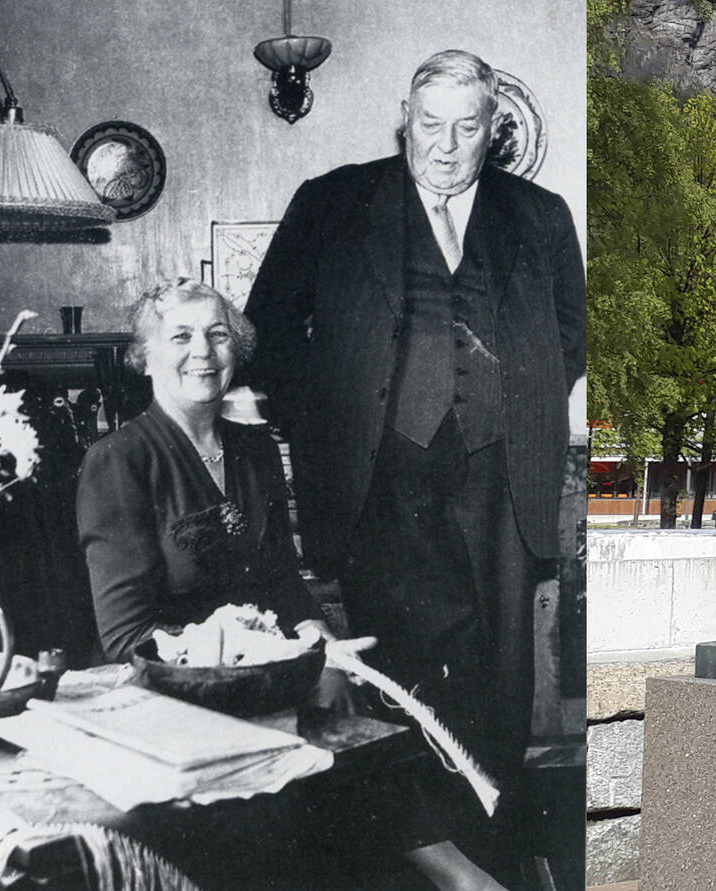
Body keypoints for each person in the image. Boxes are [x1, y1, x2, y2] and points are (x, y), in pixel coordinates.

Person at [245, 49, 586, 890]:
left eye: (466, 128)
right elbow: (268, 333)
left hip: (500, 478)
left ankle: (488, 849)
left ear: (492, 128)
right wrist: (320, 424)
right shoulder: (332, 202)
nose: (445, 145)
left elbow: (574, 336)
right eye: (429, 125)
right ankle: (415, 868)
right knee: (396, 678)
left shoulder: (539, 215)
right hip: (379, 481)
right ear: (406, 117)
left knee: (499, 682)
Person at [77, 279, 330, 662]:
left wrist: (326, 643)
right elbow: (125, 637)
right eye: (181, 337)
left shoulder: (258, 448)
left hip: (256, 667)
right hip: (162, 685)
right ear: (145, 359)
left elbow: (285, 587)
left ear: (236, 351)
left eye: (218, 334)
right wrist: (260, 650)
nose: (203, 351)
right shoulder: (118, 460)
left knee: (339, 687)